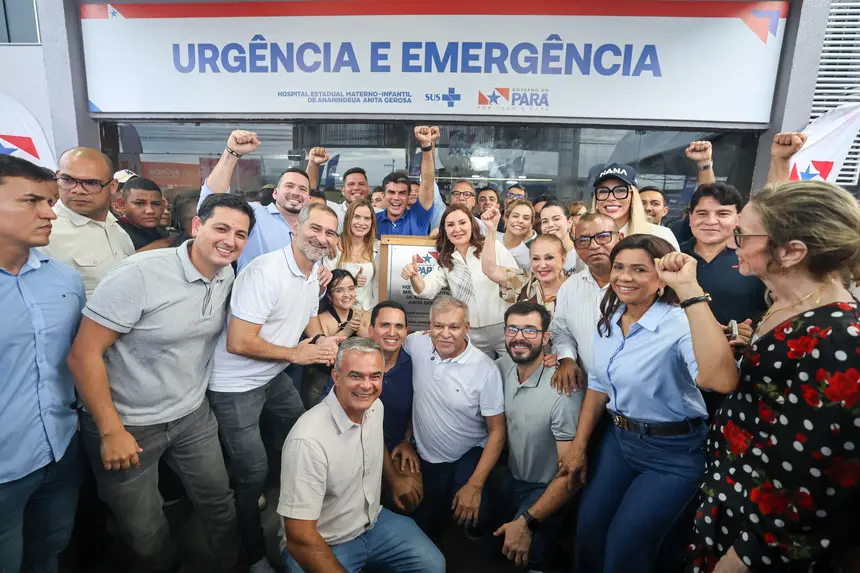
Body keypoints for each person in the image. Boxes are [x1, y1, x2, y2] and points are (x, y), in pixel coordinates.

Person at [66, 193, 256, 573]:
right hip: (127, 422)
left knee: (219, 501)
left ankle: (229, 564)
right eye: (221, 228)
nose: (230, 241)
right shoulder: (139, 275)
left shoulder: (226, 274)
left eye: (240, 234)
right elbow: (82, 355)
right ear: (197, 226)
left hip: (191, 414)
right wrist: (110, 430)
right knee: (143, 529)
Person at [686, 180, 860, 573]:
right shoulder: (785, 302)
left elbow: (811, 475)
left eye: (743, 234)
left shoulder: (840, 338)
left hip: (762, 534)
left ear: (791, 251)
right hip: (733, 492)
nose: (732, 243)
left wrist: (747, 556)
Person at [557, 235, 740, 573]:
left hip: (673, 452)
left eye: (640, 269)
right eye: (619, 267)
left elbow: (722, 381)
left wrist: (690, 289)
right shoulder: (610, 317)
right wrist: (579, 446)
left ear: (661, 279)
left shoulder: (680, 323)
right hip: (619, 442)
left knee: (624, 549)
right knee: (589, 532)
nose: (625, 277)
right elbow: (598, 384)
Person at [206, 202, 342, 573]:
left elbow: (307, 318)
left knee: (303, 432)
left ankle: (299, 512)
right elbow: (238, 342)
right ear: (295, 227)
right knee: (251, 471)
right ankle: (251, 554)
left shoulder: (313, 274)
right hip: (235, 386)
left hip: (272, 374)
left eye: (330, 233)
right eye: (315, 228)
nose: (321, 238)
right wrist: (298, 354)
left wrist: (322, 340)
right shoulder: (265, 272)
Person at [279, 337, 445, 573]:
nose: (367, 386)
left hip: (373, 523)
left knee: (434, 565)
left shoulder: (375, 407)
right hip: (325, 540)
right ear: (336, 377)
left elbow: (375, 442)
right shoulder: (307, 442)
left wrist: (394, 479)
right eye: (356, 376)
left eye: (375, 376)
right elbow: (300, 538)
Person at [0, 155, 86, 573]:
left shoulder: (63, 279)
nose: (50, 213)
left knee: (49, 551)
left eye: (50, 202)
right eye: (31, 201)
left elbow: (79, 358)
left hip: (60, 449)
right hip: (5, 466)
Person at [404, 297, 506, 540]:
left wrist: (475, 485)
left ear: (466, 328)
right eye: (438, 326)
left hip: (468, 455)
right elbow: (381, 334)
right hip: (426, 457)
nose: (445, 334)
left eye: (454, 327)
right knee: (425, 526)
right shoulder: (417, 343)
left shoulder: (485, 369)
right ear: (429, 326)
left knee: (477, 517)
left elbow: (497, 431)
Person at [491, 302, 584, 570]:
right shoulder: (502, 367)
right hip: (512, 477)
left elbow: (570, 477)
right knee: (484, 527)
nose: (519, 337)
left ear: (546, 338)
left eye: (530, 330)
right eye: (512, 329)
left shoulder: (563, 390)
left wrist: (528, 522)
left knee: (530, 553)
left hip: (546, 488)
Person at [320, 301, 423, 514]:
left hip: (394, 447)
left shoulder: (415, 365)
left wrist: (408, 440)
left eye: (398, 326)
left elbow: (422, 407)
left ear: (406, 332)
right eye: (385, 325)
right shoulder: (351, 361)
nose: (392, 332)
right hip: (352, 447)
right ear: (371, 330)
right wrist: (391, 476)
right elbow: (332, 413)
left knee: (410, 496)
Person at [681, 183, 767, 415]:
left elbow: (771, 308)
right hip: (678, 375)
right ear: (690, 217)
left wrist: (751, 331)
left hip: (736, 375)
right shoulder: (674, 256)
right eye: (702, 213)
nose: (711, 221)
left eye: (722, 214)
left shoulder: (753, 260)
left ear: (738, 219)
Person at [402, 204, 517, 358]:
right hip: (471, 334)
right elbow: (427, 290)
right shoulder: (446, 260)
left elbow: (517, 283)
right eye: (450, 225)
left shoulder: (494, 246)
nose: (457, 229)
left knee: (512, 369)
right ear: (444, 231)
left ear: (472, 224)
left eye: (462, 223)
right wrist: (414, 277)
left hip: (504, 327)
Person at [200, 130, 319, 274]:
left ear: (309, 199)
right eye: (289, 186)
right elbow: (211, 202)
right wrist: (231, 154)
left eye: (302, 189)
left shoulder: (315, 230)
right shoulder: (254, 214)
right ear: (275, 193)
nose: (295, 192)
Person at [41, 147, 135, 296]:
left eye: (91, 183)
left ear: (113, 186)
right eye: (68, 180)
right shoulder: (44, 233)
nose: (78, 190)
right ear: (58, 177)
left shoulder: (117, 230)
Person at [549, 213, 621, 391]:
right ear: (576, 247)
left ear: (620, 238)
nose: (594, 246)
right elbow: (561, 332)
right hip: (589, 389)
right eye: (583, 240)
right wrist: (567, 358)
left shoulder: (637, 285)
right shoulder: (570, 287)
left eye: (602, 236)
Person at [481, 206, 569, 315]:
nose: (542, 265)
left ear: (563, 259)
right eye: (536, 259)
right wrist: (491, 230)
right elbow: (491, 270)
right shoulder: (526, 282)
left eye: (549, 257)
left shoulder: (574, 287)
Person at [590, 162, 680, 250]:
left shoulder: (660, 236)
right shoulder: (586, 238)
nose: (611, 198)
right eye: (603, 191)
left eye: (620, 190)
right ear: (596, 200)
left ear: (633, 197)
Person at [377, 127, 438, 237]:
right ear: (383, 195)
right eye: (391, 192)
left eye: (402, 193)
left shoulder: (419, 217)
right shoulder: (372, 220)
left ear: (409, 196)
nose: (396, 198)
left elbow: (427, 182)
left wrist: (426, 146)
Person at [324, 199, 379, 311]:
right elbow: (327, 284)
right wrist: (352, 282)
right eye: (357, 217)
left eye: (367, 218)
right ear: (348, 219)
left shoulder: (378, 248)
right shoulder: (334, 247)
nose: (362, 223)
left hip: (369, 312)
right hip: (339, 312)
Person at [305, 148, 372, 232]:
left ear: (368, 189)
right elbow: (310, 194)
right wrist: (313, 164)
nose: (356, 188)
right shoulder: (331, 209)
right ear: (343, 190)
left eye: (361, 184)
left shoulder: (378, 214)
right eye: (351, 184)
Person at [115, 176, 172, 250]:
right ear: (122, 205)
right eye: (140, 203)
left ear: (163, 205)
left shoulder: (163, 233)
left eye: (156, 204)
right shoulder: (113, 233)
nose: (150, 211)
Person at [313, 269, 370, 340]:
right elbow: (322, 345)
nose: (347, 294)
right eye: (339, 290)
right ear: (329, 295)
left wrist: (361, 330)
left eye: (351, 289)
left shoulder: (366, 316)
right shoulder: (319, 321)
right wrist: (346, 331)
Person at [539, 200, 579, 273]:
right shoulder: (538, 256)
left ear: (569, 222)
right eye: (545, 221)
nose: (550, 225)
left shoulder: (582, 253)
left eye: (556, 219)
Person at [499, 199, 537, 270]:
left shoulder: (529, 257)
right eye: (515, 216)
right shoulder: (490, 238)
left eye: (526, 218)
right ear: (506, 218)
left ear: (531, 224)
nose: (520, 221)